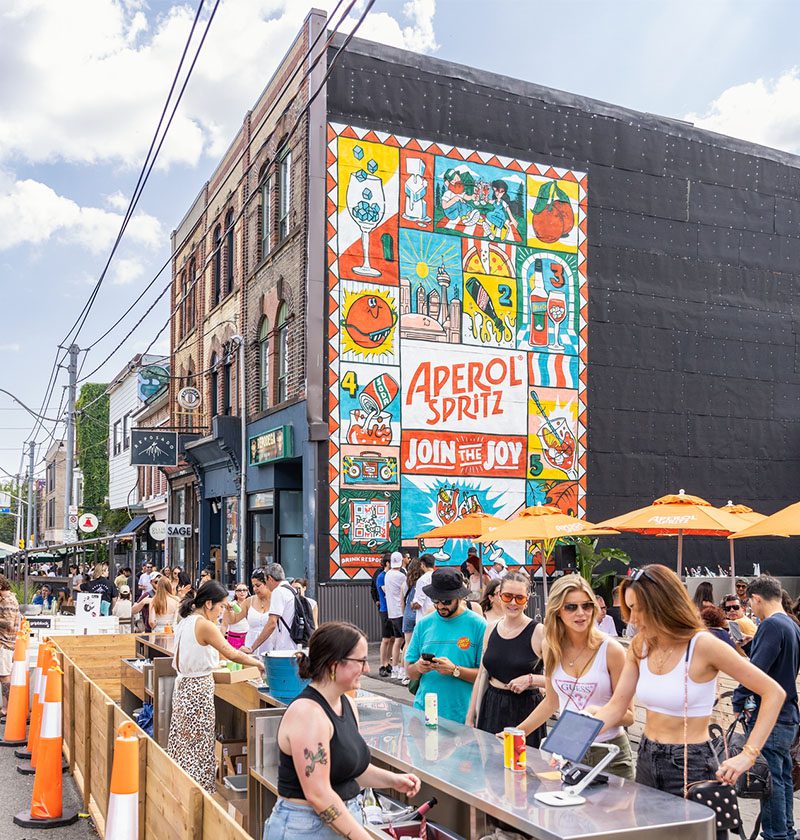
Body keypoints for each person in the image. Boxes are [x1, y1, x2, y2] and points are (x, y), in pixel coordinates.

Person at [594, 564, 785, 826]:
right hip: (647, 758)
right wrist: (574, 734)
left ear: (663, 604)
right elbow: (616, 707)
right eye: (630, 608)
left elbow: (773, 692)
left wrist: (748, 754)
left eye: (639, 608)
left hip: (691, 765)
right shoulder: (641, 645)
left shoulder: (703, 645)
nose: (633, 618)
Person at [265, 622, 420, 839]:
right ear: (333, 665)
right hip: (305, 828)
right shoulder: (308, 714)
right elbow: (319, 795)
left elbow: (351, 770)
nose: (367, 669)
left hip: (342, 818)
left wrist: (395, 780)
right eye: (361, 661)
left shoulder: (347, 703)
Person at [514, 575, 635, 778]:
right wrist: (517, 733)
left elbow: (629, 716)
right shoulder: (552, 646)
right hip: (568, 753)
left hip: (609, 754)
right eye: (571, 607)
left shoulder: (611, 650)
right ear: (557, 611)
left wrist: (596, 712)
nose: (581, 613)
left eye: (587, 606)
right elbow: (551, 702)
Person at [168, 582, 264, 793]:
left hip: (184, 687)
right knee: (199, 745)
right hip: (197, 691)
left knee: (184, 744)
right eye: (221, 606)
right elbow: (229, 651)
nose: (222, 611)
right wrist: (257, 662)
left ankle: (182, 789)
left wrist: (225, 617)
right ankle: (198, 794)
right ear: (209, 603)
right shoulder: (203, 624)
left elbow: (217, 641)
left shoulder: (187, 620)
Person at [733, 575, 800, 840]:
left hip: (770, 715)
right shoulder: (792, 625)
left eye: (750, 601)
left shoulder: (772, 625)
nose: (751, 607)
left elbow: (755, 673)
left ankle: (776, 834)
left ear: (756, 598)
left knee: (769, 780)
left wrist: (739, 700)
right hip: (787, 713)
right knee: (782, 777)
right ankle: (786, 831)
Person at [466, 572, 547, 747]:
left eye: (519, 598)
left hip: (526, 710)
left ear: (527, 600)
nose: (512, 603)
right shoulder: (490, 628)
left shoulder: (539, 632)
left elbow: (558, 681)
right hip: (491, 705)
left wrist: (531, 679)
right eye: (507, 596)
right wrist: (470, 716)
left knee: (524, 768)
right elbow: (481, 675)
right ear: (499, 597)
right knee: (490, 768)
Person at [405, 568, 485, 724]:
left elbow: (485, 676)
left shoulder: (478, 625)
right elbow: (410, 672)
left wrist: (455, 670)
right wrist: (419, 667)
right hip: (425, 714)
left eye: (446, 601)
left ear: (459, 597)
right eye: (436, 600)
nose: (440, 605)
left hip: (463, 717)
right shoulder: (423, 625)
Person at [242, 564, 296, 654]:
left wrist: (252, 648)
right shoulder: (292, 590)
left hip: (284, 648)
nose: (266, 585)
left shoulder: (278, 591)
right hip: (295, 644)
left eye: (265, 581)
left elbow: (271, 623)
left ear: (270, 578)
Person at [238, 567, 272, 656]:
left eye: (258, 585)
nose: (255, 589)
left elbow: (272, 624)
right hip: (251, 643)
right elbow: (234, 619)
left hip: (271, 644)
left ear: (267, 584)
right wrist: (229, 609)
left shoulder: (276, 600)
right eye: (253, 586)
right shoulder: (249, 601)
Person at [383, 552, 406, 680]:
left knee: (398, 640)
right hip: (400, 611)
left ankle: (395, 669)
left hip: (392, 612)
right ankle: (402, 669)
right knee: (405, 641)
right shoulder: (401, 576)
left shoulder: (388, 575)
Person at [0, 576, 20, 716]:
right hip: (6, 642)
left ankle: (7, 708)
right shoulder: (8, 599)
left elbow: (9, 623)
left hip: (5, 643)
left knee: (4, 676)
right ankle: (6, 707)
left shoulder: (7, 601)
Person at [401, 559, 423, 683]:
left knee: (407, 644)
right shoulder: (422, 582)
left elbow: (402, 600)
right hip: (419, 614)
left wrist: (404, 614)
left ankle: (406, 673)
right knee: (418, 644)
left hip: (407, 614)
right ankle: (416, 672)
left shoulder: (406, 583)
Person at [375, 554, 393, 677]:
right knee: (386, 639)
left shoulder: (390, 575)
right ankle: (382, 664)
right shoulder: (382, 576)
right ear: (387, 563)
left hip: (393, 610)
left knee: (392, 638)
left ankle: (388, 662)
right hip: (385, 609)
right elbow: (387, 591)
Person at [224, 583, 251, 649]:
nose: (242, 592)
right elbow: (224, 624)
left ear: (247, 592)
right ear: (235, 592)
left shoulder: (252, 604)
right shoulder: (231, 605)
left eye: (244, 590)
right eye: (239, 590)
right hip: (233, 638)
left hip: (248, 638)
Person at [411, 554, 435, 622]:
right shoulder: (437, 577)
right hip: (436, 616)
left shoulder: (422, 580)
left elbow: (418, 604)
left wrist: (412, 605)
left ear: (422, 564)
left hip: (423, 617)